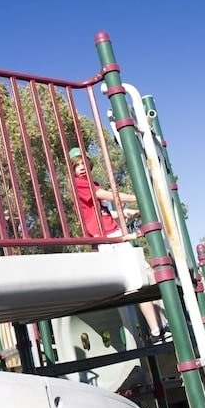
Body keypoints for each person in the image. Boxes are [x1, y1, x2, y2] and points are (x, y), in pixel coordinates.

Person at [68, 147, 168, 343]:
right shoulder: (80, 184)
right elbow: (109, 196)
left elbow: (102, 212)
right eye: (76, 165)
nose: (80, 168)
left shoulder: (91, 183)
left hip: (111, 233)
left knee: (146, 276)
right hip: (106, 237)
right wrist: (139, 196)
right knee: (140, 279)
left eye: (83, 163)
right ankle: (157, 329)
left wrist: (127, 212)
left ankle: (161, 325)